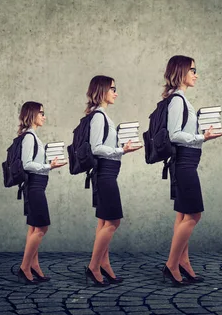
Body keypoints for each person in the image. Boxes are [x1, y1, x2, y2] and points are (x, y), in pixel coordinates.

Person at [162, 55, 222, 285]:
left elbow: (186, 135)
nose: (196, 74)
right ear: (180, 72)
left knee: (182, 215)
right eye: (192, 70)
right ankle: (171, 264)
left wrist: (204, 136)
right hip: (184, 164)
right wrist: (202, 136)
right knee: (194, 215)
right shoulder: (178, 100)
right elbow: (174, 135)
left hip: (187, 161)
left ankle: (183, 263)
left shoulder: (180, 99)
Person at [84, 75, 141, 286]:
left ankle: (104, 266)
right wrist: (121, 149)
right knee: (113, 221)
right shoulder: (99, 116)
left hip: (107, 173)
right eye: (112, 89)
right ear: (101, 91)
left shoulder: (100, 115)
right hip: (105, 174)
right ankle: (93, 267)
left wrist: (122, 149)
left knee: (104, 222)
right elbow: (96, 148)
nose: (116, 93)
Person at [16, 102, 66, 284]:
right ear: (32, 115)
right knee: (42, 227)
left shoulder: (32, 136)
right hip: (34, 187)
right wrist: (49, 166)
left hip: (36, 186)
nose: (44, 117)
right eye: (41, 113)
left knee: (34, 228)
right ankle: (24, 267)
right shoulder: (29, 137)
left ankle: (34, 266)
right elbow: (27, 164)